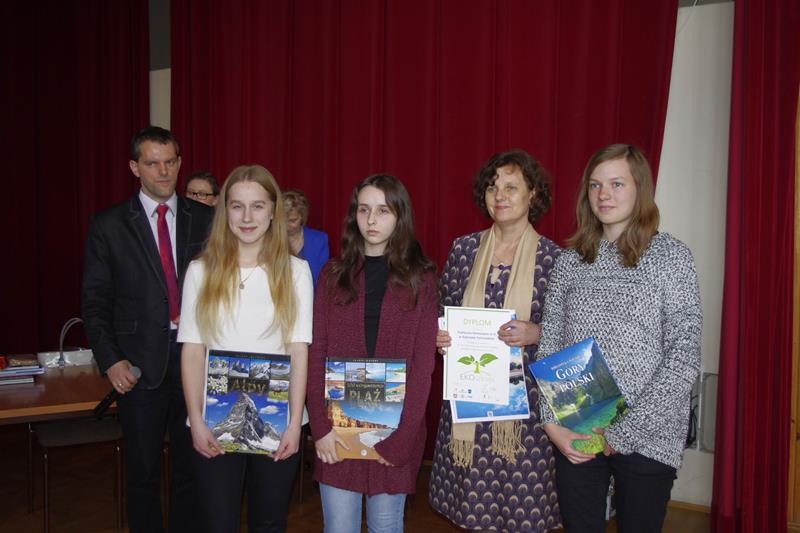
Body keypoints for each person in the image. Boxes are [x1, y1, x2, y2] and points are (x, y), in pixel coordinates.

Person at [537, 144, 702, 533]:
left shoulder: (672, 257)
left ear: (639, 188)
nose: (604, 195)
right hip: (579, 426)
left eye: (616, 184)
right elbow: (550, 346)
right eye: (595, 185)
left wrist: (623, 432)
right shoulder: (569, 261)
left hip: (650, 435)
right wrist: (550, 423)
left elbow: (684, 356)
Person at [81, 126, 214, 533]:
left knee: (193, 467)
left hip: (197, 359)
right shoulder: (109, 224)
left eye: (170, 162)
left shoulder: (206, 218)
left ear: (180, 163)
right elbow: (95, 301)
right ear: (134, 167)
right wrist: (110, 360)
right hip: (138, 365)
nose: (163, 171)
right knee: (142, 471)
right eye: (153, 163)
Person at [428, 150, 562, 532]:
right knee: (473, 506)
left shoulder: (555, 258)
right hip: (469, 404)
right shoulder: (464, 250)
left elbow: (570, 331)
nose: (500, 195)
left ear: (532, 194)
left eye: (511, 187)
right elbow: (441, 308)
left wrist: (537, 332)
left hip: (527, 413)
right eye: (492, 187)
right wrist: (440, 334)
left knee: (524, 509)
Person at [178, 165, 313, 532]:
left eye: (258, 206)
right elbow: (192, 351)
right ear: (225, 212)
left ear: (273, 212)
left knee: (268, 523)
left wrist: (294, 425)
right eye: (237, 206)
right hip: (212, 420)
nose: (247, 217)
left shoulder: (296, 272)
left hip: (278, 420)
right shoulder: (200, 271)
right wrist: (196, 421)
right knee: (217, 522)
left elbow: (298, 350)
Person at [306, 174, 438, 532]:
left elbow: (423, 367)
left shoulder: (421, 280)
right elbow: (316, 354)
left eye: (383, 210)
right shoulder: (332, 275)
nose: (372, 220)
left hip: (396, 434)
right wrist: (320, 427)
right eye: (364, 210)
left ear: (399, 216)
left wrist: (403, 439)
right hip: (336, 431)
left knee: (385, 526)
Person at [283, 188, 330, 286]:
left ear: (302, 217)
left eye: (292, 220)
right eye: (283, 220)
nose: (286, 225)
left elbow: (322, 282)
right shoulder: (268, 239)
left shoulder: (319, 241)